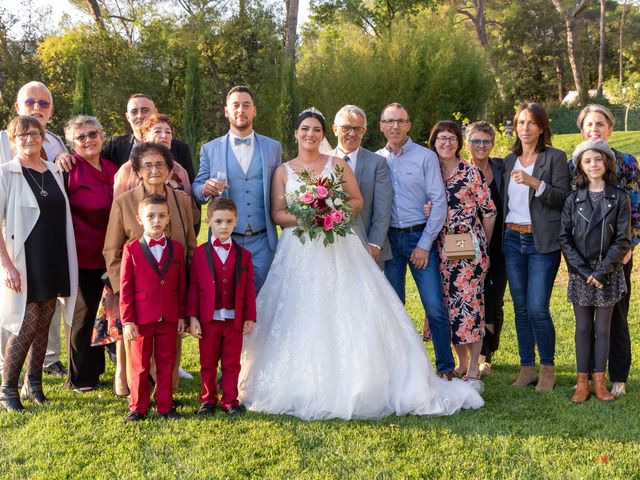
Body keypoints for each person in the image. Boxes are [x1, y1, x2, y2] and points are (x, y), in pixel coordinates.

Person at [238, 108, 483, 420]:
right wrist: (308, 215)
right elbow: (277, 213)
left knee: (350, 310)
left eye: (316, 129)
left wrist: (331, 212)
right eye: (305, 129)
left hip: (340, 247)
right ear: (296, 133)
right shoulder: (284, 171)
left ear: (323, 134)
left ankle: (419, 372)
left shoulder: (337, 165)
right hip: (298, 251)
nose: (310, 135)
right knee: (302, 313)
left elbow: (357, 202)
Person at [103, 143, 196, 397]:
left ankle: (168, 392)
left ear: (169, 171)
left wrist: (188, 293)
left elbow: (189, 247)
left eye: (160, 165)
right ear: (138, 171)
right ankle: (138, 396)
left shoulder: (182, 201)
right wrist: (123, 293)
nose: (154, 170)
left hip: (171, 294)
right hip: (137, 293)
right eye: (148, 166)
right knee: (138, 349)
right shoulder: (124, 203)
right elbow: (112, 251)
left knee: (169, 347)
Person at [0, 116, 77, 411]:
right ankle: (7, 389)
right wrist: (7, 265)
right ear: (13, 139)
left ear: (44, 136)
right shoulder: (7, 174)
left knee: (45, 321)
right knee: (26, 322)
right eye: (23, 134)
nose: (30, 138)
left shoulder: (54, 171)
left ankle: (34, 385)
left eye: (36, 133)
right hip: (25, 258)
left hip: (54, 254)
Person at [376, 103, 455, 379]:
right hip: (389, 241)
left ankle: (446, 368)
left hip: (418, 238)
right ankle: (399, 369)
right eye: (389, 121)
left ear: (409, 125)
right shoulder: (377, 160)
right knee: (394, 306)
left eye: (400, 121)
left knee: (434, 305)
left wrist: (423, 244)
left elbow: (439, 202)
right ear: (381, 126)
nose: (395, 126)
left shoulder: (425, 157)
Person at [572, 104, 639, 397]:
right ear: (582, 129)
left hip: (618, 253)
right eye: (589, 124)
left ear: (610, 128)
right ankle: (585, 377)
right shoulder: (575, 162)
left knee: (616, 314)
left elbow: (636, 209)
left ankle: (618, 376)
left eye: (600, 124)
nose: (594, 129)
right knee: (586, 320)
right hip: (584, 259)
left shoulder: (626, 163)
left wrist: (628, 249)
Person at [503, 103, 570, 392]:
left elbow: (564, 198)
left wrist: (534, 182)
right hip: (511, 239)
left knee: (537, 307)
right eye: (520, 122)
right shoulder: (508, 160)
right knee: (520, 308)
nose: (525, 128)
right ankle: (526, 367)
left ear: (542, 127)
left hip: (541, 241)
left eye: (531, 123)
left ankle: (548, 369)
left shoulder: (554, 158)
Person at [559, 140, 631, 403]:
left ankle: (600, 382)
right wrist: (583, 270)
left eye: (598, 160)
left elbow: (623, 238)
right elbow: (565, 238)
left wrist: (602, 272)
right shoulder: (572, 199)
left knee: (603, 329)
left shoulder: (619, 197)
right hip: (581, 274)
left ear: (607, 163)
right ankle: (582, 383)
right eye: (587, 161)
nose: (593, 165)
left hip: (608, 274)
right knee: (582, 329)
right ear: (580, 166)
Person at [192, 86, 282, 292]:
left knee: (264, 303)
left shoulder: (273, 147)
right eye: (235, 105)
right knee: (228, 300)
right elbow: (196, 187)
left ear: (254, 110)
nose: (240, 110)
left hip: (263, 241)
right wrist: (205, 189)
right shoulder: (209, 149)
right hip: (226, 238)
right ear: (226, 111)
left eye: (246, 105)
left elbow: (281, 187)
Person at [429, 121, 496, 390]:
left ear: (459, 143)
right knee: (447, 306)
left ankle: (473, 369)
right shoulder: (430, 170)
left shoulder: (470, 173)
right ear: (433, 142)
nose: (447, 143)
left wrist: (481, 245)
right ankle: (460, 361)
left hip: (466, 248)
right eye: (441, 138)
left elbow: (489, 212)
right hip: (438, 247)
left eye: (452, 139)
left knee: (469, 306)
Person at [63, 115, 118, 392]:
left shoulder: (112, 168)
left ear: (102, 135)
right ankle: (80, 377)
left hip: (113, 254)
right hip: (83, 254)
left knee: (107, 313)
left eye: (92, 134)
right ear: (72, 143)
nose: (88, 140)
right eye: (80, 137)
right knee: (84, 316)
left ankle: (98, 369)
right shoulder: (68, 170)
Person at [187, 198, 256, 417]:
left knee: (231, 362)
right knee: (207, 362)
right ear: (209, 222)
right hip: (208, 319)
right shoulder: (199, 254)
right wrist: (192, 317)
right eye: (218, 221)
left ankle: (230, 400)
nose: (224, 226)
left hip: (234, 319)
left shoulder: (244, 256)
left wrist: (249, 316)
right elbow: (194, 287)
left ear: (236, 222)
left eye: (228, 221)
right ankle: (207, 400)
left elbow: (248, 288)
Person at [120, 195, 186, 421]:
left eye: (161, 216)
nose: (156, 220)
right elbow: (126, 288)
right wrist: (128, 320)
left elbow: (181, 285)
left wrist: (180, 316)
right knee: (139, 365)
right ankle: (138, 407)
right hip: (141, 319)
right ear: (140, 219)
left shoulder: (177, 249)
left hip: (168, 317)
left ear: (168, 218)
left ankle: (166, 406)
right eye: (150, 216)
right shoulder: (131, 250)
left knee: (166, 363)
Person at [466, 121, 506, 375]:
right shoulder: (458, 170)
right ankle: (471, 354)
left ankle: (487, 352)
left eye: (486, 141)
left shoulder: (502, 167)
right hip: (465, 245)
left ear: (492, 144)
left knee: (494, 298)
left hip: (500, 243)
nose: (481, 146)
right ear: (467, 144)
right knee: (471, 296)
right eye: (475, 141)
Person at [330, 105, 392, 267]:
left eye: (358, 129)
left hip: (366, 245)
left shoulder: (377, 163)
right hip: (330, 246)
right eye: (346, 128)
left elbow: (382, 208)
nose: (352, 133)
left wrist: (375, 243)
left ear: (364, 131)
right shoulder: (323, 161)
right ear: (335, 129)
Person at [113, 114, 193, 197]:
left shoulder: (180, 171)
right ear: (145, 137)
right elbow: (118, 206)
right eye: (157, 131)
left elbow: (190, 206)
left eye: (168, 132)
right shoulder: (128, 170)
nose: (164, 135)